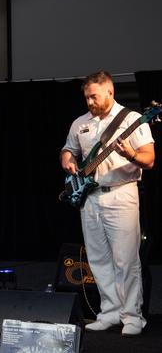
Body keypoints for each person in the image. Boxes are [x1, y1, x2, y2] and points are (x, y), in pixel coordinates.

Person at [61, 71, 154, 336]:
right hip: (90, 197)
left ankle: (132, 316)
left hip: (121, 193)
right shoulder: (81, 123)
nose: (89, 102)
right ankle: (110, 312)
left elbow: (149, 159)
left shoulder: (133, 120)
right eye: (86, 97)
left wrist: (131, 153)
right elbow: (68, 149)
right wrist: (67, 161)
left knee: (126, 259)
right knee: (99, 259)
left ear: (110, 92)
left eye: (94, 96)